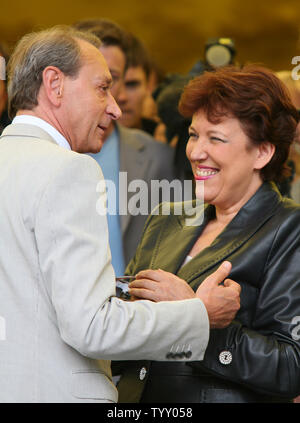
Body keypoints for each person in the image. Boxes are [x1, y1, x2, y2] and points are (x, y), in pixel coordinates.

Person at [0, 25, 241, 403]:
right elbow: (92, 328)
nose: (115, 106)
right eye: (102, 87)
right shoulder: (69, 169)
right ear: (55, 84)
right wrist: (198, 313)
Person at [115, 65, 300, 403]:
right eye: (193, 134)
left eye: (216, 138)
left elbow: (290, 367)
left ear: (263, 151)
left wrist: (193, 315)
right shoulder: (168, 218)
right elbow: (118, 333)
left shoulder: (289, 228)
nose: (196, 151)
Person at [73, 19, 175, 270]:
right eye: (92, 75)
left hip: (134, 304)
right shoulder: (44, 153)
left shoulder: (158, 157)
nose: (103, 84)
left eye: (112, 76)